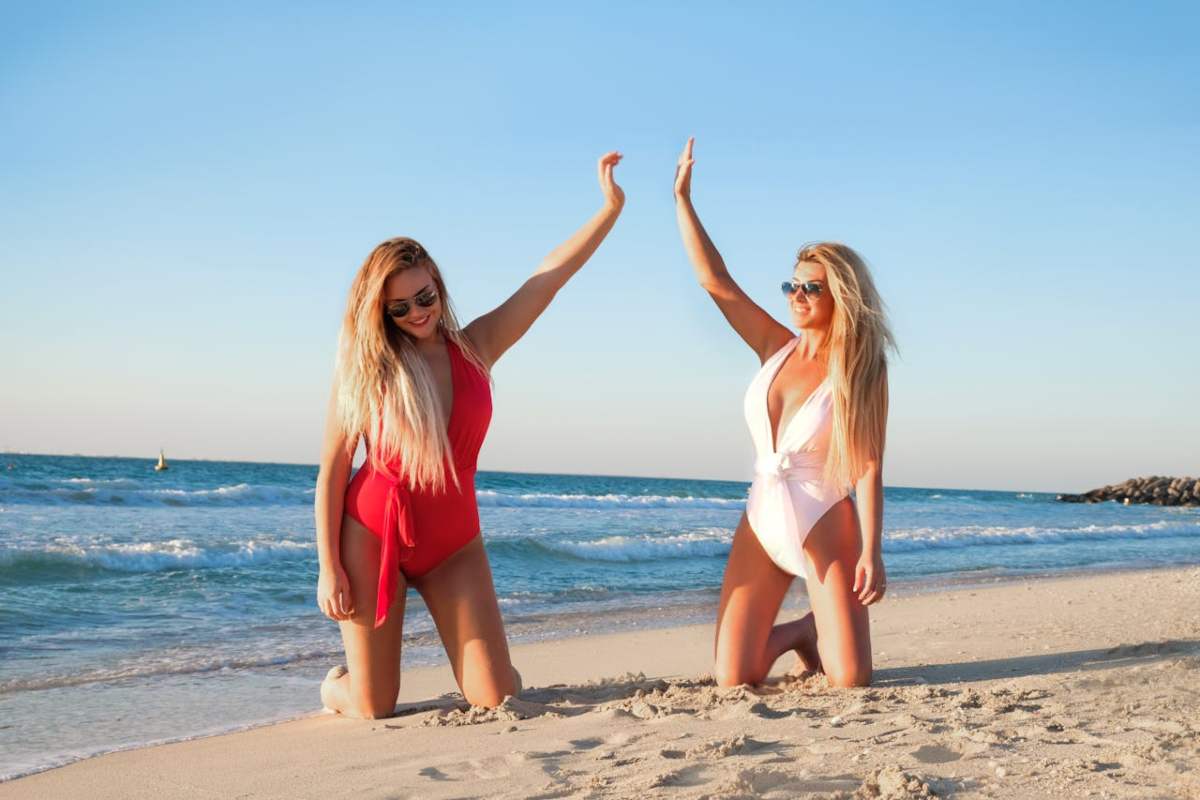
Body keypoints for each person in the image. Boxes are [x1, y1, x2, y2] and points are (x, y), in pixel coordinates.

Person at [315, 152, 625, 717]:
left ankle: (490, 664)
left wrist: (608, 210)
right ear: (382, 311)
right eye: (400, 306)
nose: (417, 312)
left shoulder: (476, 348)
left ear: (439, 286)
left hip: (453, 544)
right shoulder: (365, 366)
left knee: (498, 697)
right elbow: (334, 467)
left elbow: (547, 280)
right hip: (371, 535)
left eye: (425, 297)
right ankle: (339, 683)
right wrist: (327, 566)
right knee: (372, 707)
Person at [673, 138, 894, 688]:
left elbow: (866, 464)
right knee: (735, 675)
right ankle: (802, 631)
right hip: (763, 513)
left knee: (850, 682)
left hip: (823, 516)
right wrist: (682, 200)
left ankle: (825, 633)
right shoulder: (775, 347)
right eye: (791, 284)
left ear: (841, 295)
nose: (796, 295)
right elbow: (715, 282)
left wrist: (872, 550)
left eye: (811, 287)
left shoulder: (861, 368)